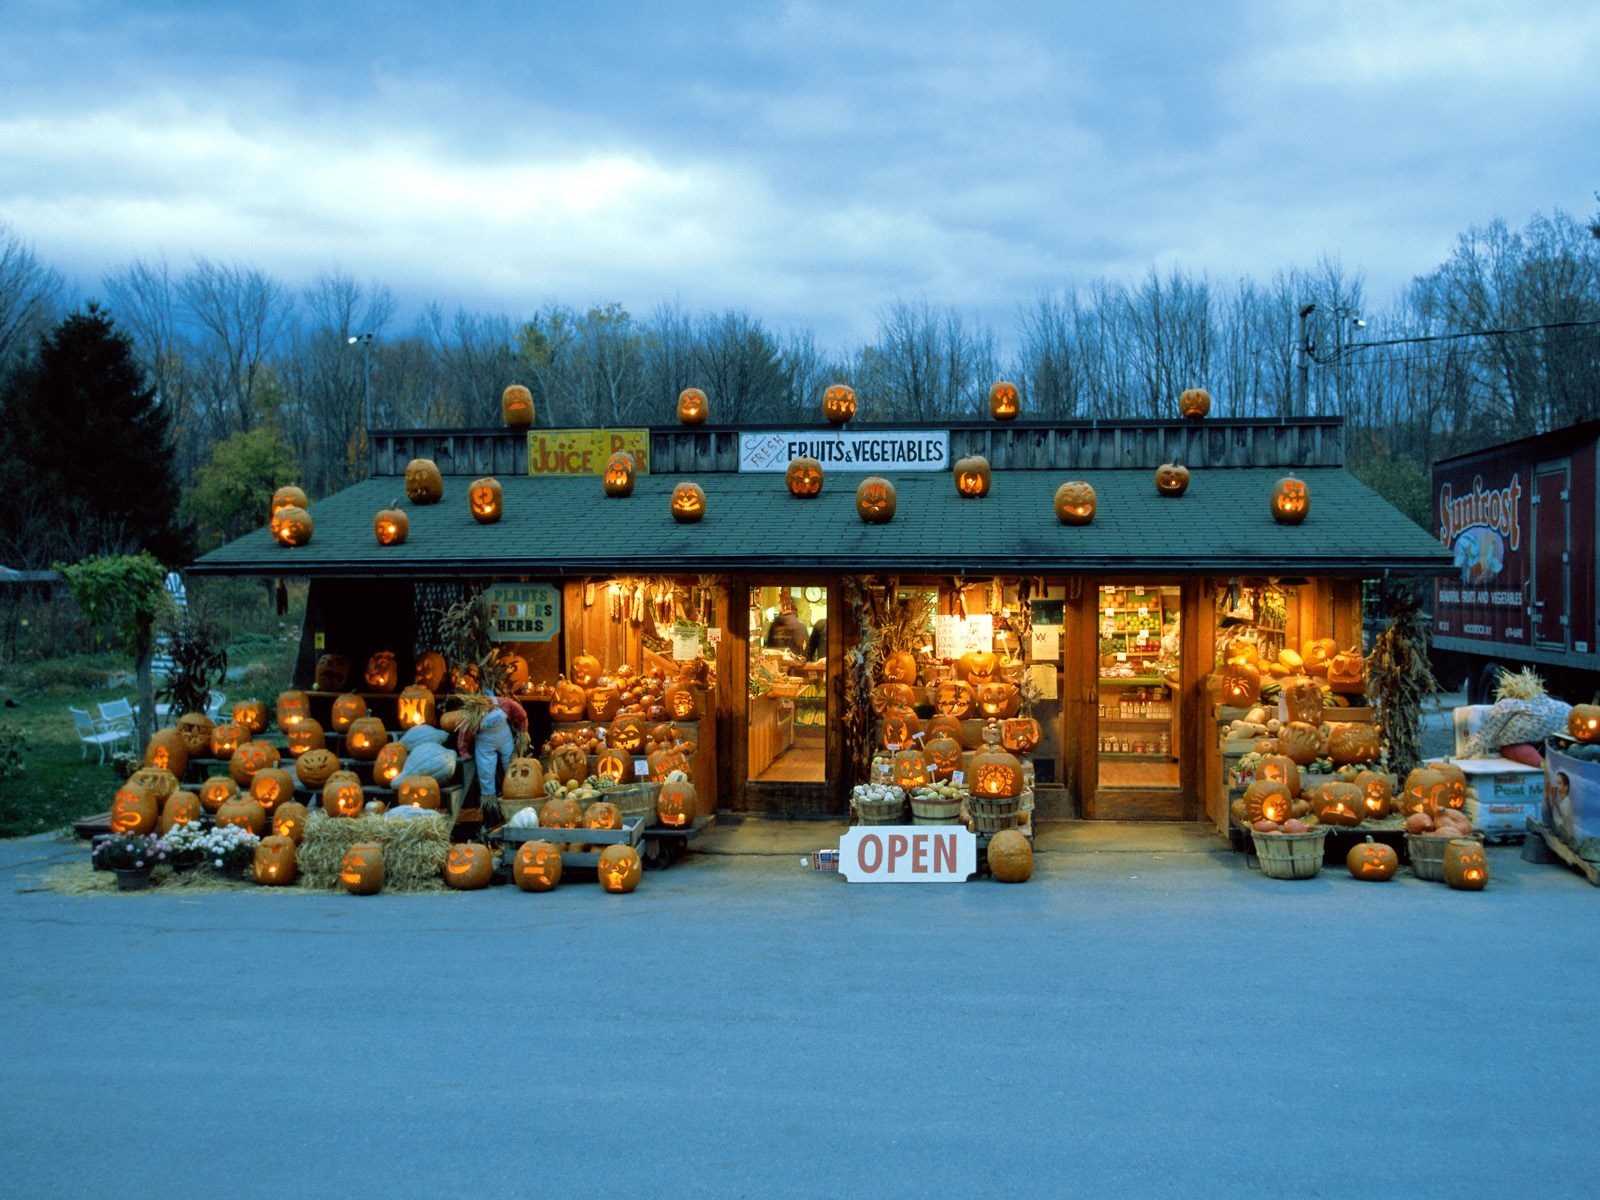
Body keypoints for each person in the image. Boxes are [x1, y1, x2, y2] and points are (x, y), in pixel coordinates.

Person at [454, 691, 529, 810]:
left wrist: (522, 731)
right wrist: (463, 750)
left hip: (505, 739)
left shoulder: (504, 703)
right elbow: (465, 732)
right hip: (485, 743)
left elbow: (521, 714)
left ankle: (514, 792)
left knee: (511, 765)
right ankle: (489, 801)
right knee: (485, 768)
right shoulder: (475, 712)